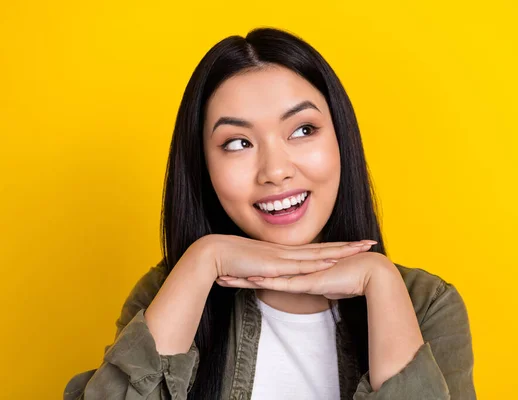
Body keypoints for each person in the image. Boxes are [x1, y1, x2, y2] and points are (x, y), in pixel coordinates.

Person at [63, 27, 476, 400]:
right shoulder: (167, 291)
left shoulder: (426, 306)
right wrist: (205, 258)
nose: (276, 171)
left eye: (303, 130)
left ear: (341, 140)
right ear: (203, 167)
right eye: (238, 143)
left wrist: (380, 280)